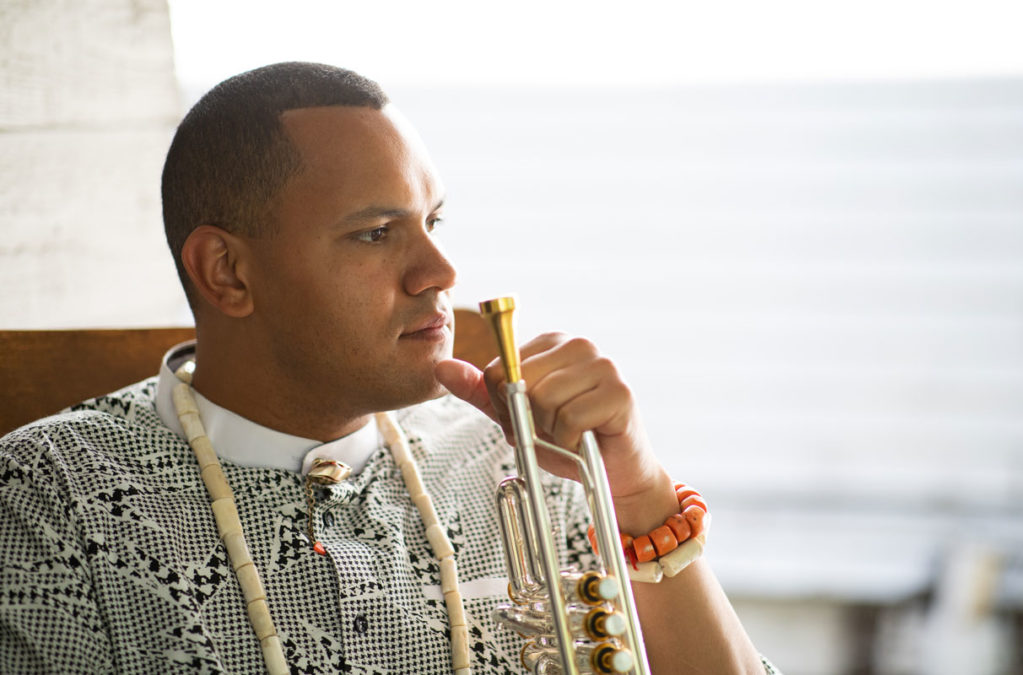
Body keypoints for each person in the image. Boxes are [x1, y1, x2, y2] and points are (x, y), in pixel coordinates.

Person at [0, 62, 775, 674]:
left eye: (434, 221)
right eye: (376, 232)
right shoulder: (42, 496)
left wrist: (636, 493)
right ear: (227, 272)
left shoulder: (530, 456)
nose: (441, 269)